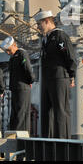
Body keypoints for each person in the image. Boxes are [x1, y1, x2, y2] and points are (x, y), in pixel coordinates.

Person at [34, 10, 77, 139]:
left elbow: (70, 57)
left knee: (60, 111)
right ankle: (48, 140)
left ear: (47, 21)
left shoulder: (60, 36)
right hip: (48, 79)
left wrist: (71, 75)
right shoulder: (46, 39)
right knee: (46, 112)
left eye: (39, 24)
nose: (37, 27)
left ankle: (63, 141)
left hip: (59, 77)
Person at [0, 36, 35, 132]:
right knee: (16, 112)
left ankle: (20, 134)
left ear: (14, 45)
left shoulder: (21, 54)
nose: (8, 53)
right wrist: (30, 80)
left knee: (20, 112)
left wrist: (30, 80)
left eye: (9, 50)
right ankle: (15, 132)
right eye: (6, 51)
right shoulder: (14, 57)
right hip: (17, 88)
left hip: (22, 87)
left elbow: (27, 68)